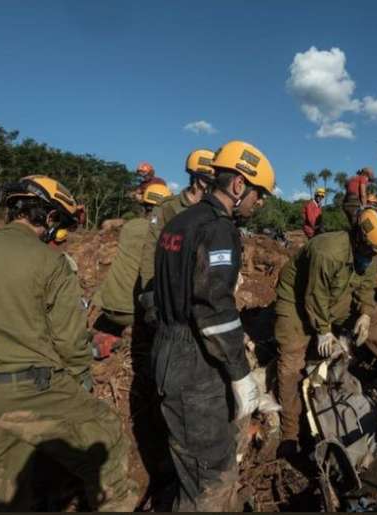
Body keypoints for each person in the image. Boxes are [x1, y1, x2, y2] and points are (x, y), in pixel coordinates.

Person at [0, 175, 137, 511]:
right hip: (30, 389)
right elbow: (70, 341)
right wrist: (81, 382)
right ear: (48, 218)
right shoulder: (52, 264)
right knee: (106, 434)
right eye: (58, 221)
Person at [152, 140, 278, 511]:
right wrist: (240, 374)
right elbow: (214, 307)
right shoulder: (217, 229)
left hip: (168, 347)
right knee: (211, 475)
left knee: (191, 460)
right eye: (260, 194)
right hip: (193, 361)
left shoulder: (179, 221)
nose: (261, 203)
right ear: (239, 186)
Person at [274, 206, 377, 458]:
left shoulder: (369, 255)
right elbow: (313, 295)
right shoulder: (327, 251)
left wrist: (363, 312)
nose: (374, 257)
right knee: (290, 363)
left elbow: (365, 285)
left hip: (334, 298)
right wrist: (323, 331)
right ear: (359, 239)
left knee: (375, 317)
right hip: (296, 302)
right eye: (372, 251)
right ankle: (290, 434)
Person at [91, 182, 171, 359]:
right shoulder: (163, 233)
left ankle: (110, 334)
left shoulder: (130, 226)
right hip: (131, 314)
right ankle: (124, 340)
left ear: (144, 205)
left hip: (107, 306)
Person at [138, 149, 215, 317]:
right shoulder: (168, 208)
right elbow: (151, 249)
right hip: (170, 289)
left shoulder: (213, 212)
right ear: (201, 180)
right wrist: (150, 292)